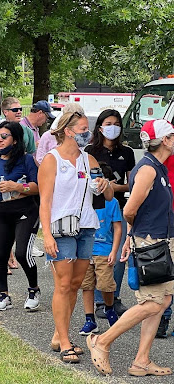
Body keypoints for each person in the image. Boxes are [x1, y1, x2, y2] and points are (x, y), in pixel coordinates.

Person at [87, 119, 174, 377]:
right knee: (151, 302)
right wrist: (136, 237)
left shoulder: (157, 167)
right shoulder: (148, 169)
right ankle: (102, 341)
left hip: (160, 239)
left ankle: (141, 361)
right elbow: (129, 210)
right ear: (165, 140)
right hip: (152, 242)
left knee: (163, 299)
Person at [38, 111, 113, 364]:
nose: (87, 133)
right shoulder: (52, 160)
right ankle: (65, 341)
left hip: (86, 227)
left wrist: (105, 185)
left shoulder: (89, 159)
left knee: (75, 284)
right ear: (68, 131)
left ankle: (60, 334)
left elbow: (109, 196)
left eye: (87, 129)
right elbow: (45, 201)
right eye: (82, 129)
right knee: (62, 283)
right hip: (60, 228)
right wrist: (46, 235)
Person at [0, 121, 41, 312]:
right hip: (1, 210)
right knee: (0, 255)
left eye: (4, 136)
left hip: (25, 210)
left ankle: (33, 290)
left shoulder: (27, 160)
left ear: (15, 140)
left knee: (22, 253)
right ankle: (3, 295)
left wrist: (16, 186)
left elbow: (38, 187)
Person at [85, 109, 136, 321]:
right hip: (94, 207)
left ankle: (113, 296)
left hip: (119, 207)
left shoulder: (127, 152)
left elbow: (131, 184)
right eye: (108, 123)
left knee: (118, 255)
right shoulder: (90, 151)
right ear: (100, 126)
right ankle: (99, 300)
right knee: (96, 254)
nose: (112, 127)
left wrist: (112, 188)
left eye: (116, 123)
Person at [78, 163, 122, 335]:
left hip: (104, 249)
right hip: (86, 248)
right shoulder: (83, 198)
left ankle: (109, 308)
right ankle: (90, 319)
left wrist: (114, 250)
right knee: (86, 285)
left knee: (105, 284)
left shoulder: (113, 202)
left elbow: (117, 227)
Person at [0, 97, 36, 170]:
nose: (19, 112)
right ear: (5, 112)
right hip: (0, 171)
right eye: (15, 110)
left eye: (20, 109)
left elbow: (31, 154)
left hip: (22, 172)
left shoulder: (28, 131)